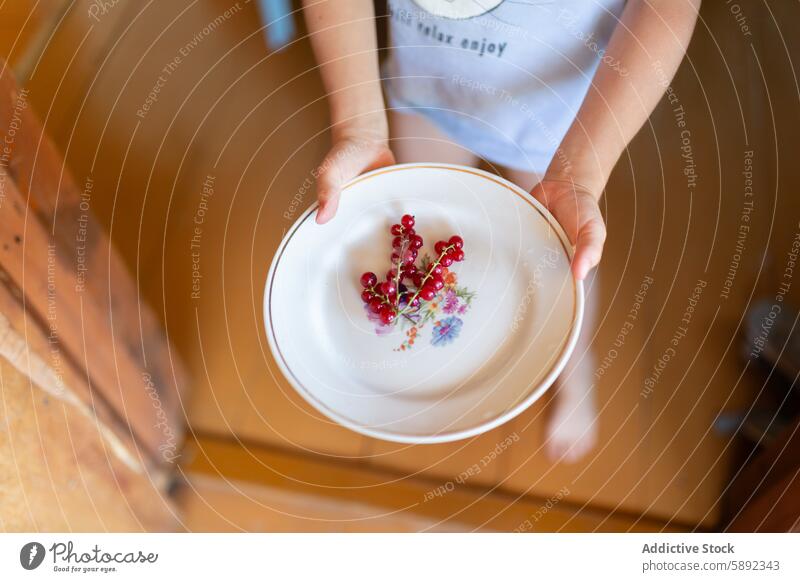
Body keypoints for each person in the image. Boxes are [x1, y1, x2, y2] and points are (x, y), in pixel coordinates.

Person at [302, 0, 701, 461]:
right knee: (425, 233)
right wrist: (359, 125)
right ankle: (432, 323)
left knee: (560, 254)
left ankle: (575, 368)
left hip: (556, 111)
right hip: (428, 87)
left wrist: (582, 173)